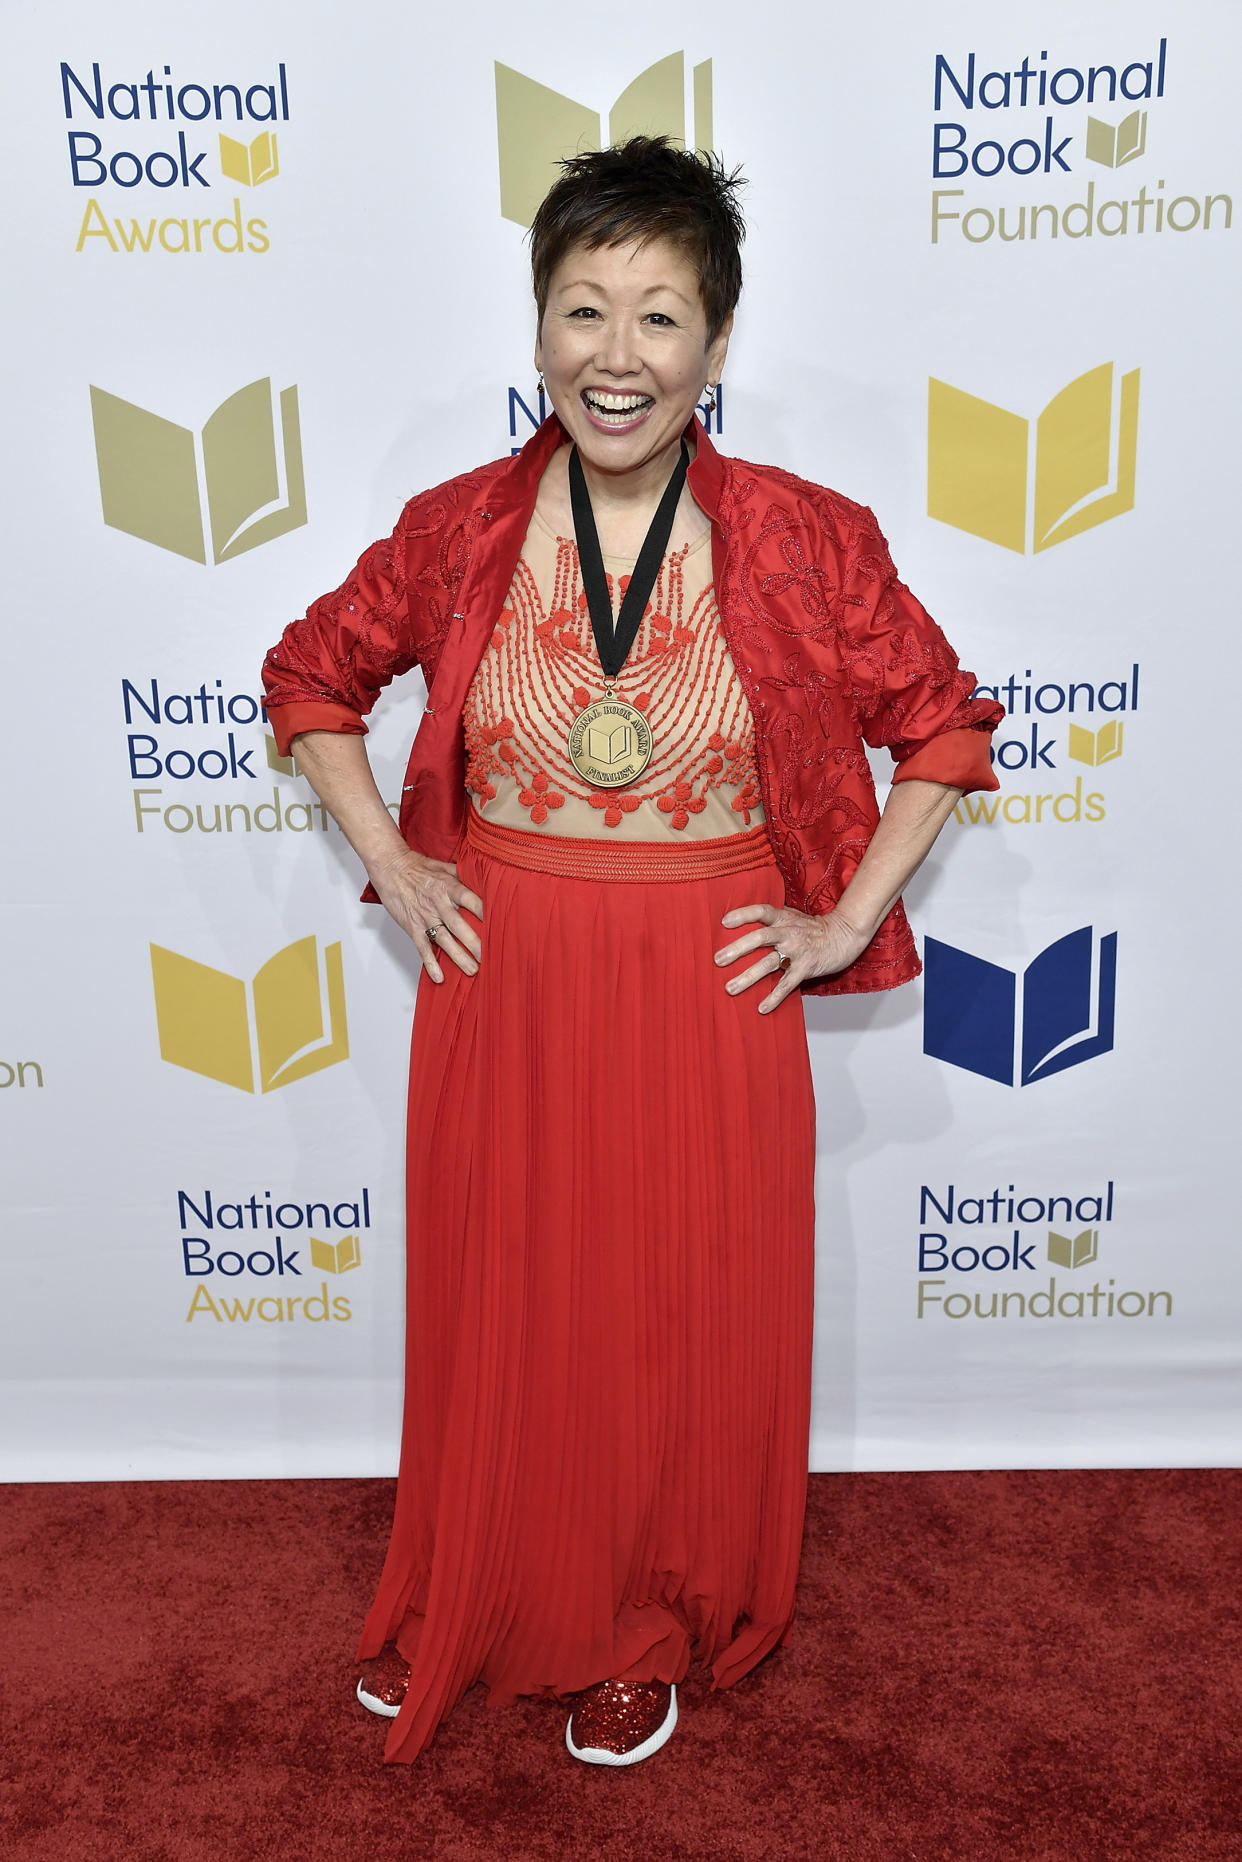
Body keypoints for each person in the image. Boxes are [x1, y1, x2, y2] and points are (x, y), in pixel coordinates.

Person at [261, 136, 1004, 1768]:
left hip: (707, 971)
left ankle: (645, 1619)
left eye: (660, 318)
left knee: (672, 1314)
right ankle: (465, 1583)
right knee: (503, 1305)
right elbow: (311, 676)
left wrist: (847, 916)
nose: (616, 357)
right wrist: (395, 858)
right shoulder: (455, 527)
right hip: (500, 968)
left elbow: (941, 726)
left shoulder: (806, 535)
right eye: (583, 309)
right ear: (535, 326)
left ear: (717, 347)